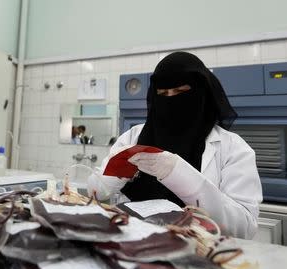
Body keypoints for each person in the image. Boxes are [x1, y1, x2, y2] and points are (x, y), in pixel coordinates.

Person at [87, 52, 262, 239]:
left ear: (200, 93)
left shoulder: (232, 147)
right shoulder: (133, 137)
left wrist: (179, 173)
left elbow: (245, 228)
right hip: (132, 245)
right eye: (162, 94)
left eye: (180, 92)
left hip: (198, 251)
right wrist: (117, 171)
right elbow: (95, 192)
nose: (170, 100)